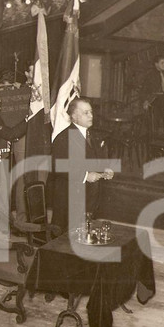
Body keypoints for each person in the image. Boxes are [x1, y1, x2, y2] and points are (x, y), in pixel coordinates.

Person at [49, 98, 114, 229]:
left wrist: (105, 169)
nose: (91, 116)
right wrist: (85, 176)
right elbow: (59, 166)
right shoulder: (63, 138)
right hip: (70, 198)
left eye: (91, 112)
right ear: (74, 116)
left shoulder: (93, 135)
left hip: (90, 197)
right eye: (86, 113)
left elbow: (96, 157)